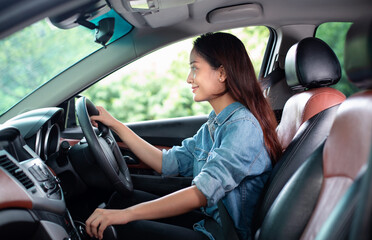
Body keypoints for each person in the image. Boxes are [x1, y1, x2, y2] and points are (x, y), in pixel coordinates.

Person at [85, 32, 282, 240]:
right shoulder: (213, 125)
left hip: (223, 234)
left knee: (124, 224)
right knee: (123, 199)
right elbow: (166, 162)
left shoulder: (242, 127)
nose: (189, 79)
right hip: (209, 220)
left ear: (222, 73)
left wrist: (126, 216)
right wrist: (115, 125)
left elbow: (201, 193)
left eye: (195, 68)